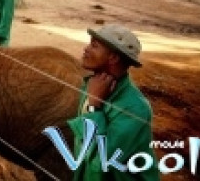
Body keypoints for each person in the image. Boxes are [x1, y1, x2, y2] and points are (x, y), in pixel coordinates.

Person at [67, 24, 159, 180]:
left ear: (114, 57)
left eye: (94, 46)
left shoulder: (136, 108)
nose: (86, 49)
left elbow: (101, 161)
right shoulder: (92, 85)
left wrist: (94, 107)